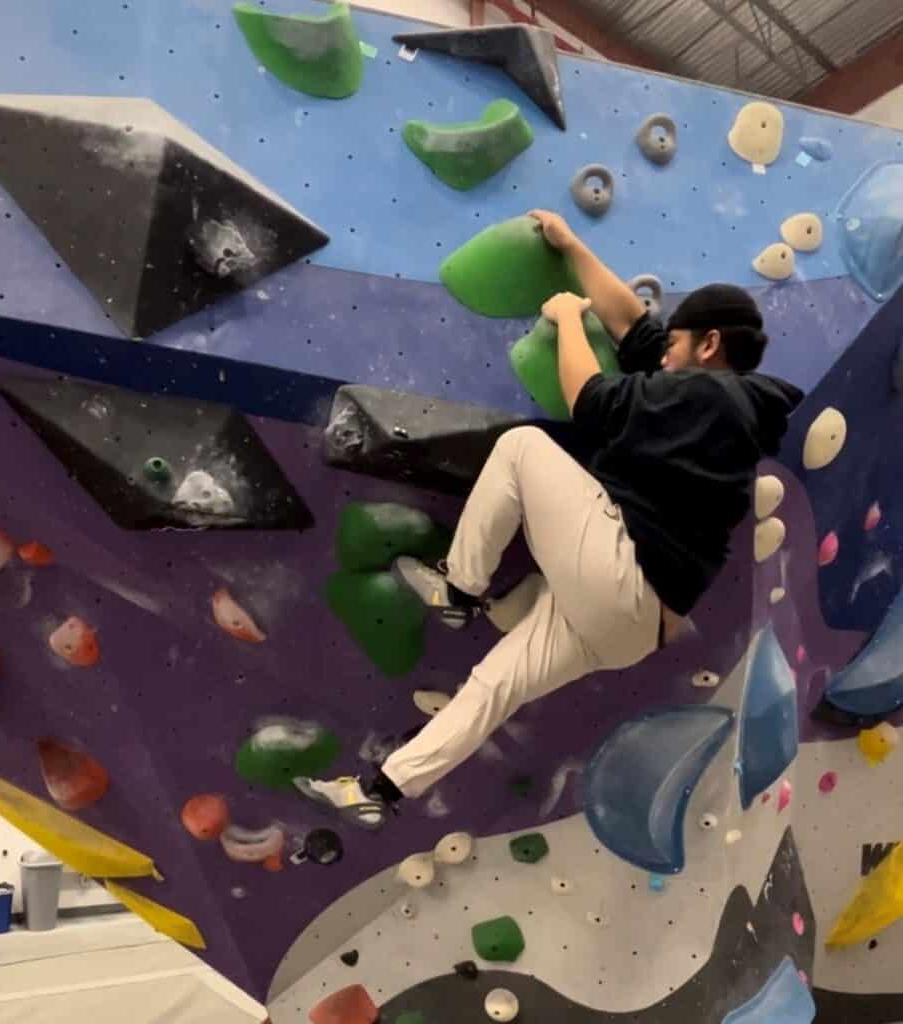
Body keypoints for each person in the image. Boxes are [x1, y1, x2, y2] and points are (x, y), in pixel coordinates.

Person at [295, 209, 804, 830]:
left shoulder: (702, 393)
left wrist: (565, 320)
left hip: (621, 573)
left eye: (677, 343)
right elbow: (631, 326)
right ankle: (382, 788)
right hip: (631, 629)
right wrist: (573, 248)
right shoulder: (719, 404)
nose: (662, 355)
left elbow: (588, 400)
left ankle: (459, 585)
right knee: (494, 683)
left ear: (710, 344)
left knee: (522, 449)